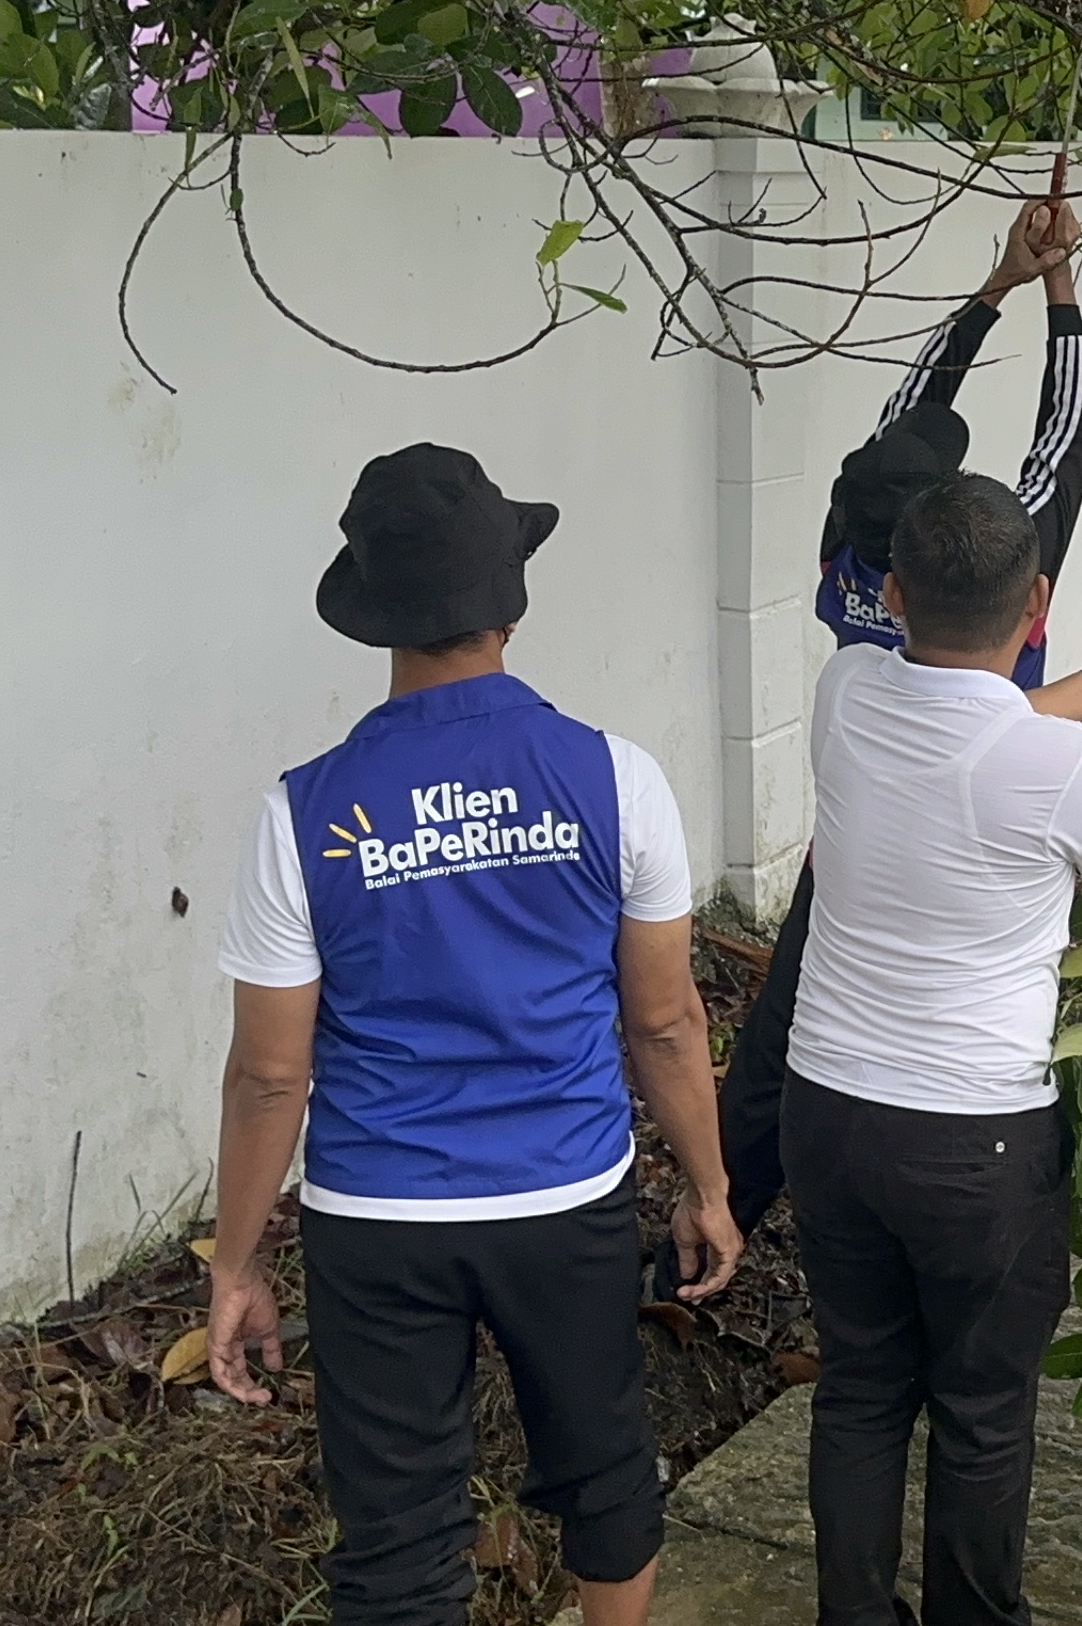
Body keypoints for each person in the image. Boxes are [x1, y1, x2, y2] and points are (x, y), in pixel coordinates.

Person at [204, 443, 741, 1626]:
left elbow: (267, 1076)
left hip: (379, 1218)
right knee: (604, 1465)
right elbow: (661, 1018)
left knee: (397, 1537)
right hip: (565, 1197)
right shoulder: (616, 778)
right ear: (510, 596)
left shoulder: (300, 813)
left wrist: (237, 1262)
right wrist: (707, 1185)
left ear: (375, 615)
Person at [718, 192, 1082, 1239]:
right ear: (1028, 593)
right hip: (984, 842)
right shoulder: (1001, 573)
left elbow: (902, 418)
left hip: (856, 852)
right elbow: (1067, 436)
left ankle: (720, 1219)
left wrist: (993, 284)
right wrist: (1057, 288)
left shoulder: (853, 554)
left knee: (781, 1044)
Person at [785, 472, 1082, 1626]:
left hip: (830, 1107)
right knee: (980, 1409)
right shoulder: (1059, 769)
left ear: (893, 592)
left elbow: (977, 728)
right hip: (977, 1138)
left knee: (861, 1386)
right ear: (1037, 598)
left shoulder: (845, 689)